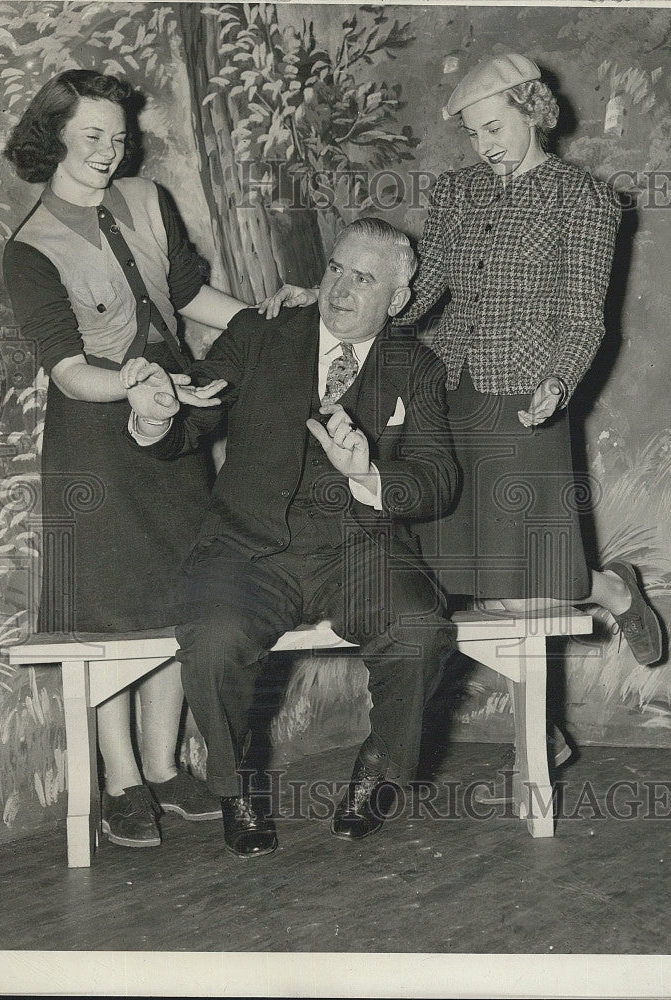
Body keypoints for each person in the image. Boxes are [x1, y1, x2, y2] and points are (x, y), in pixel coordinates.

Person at [2, 69, 310, 849]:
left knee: (182, 597)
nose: (110, 151)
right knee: (111, 616)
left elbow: (190, 295)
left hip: (173, 428)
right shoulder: (31, 248)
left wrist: (269, 323)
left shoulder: (147, 202)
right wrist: (135, 385)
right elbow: (67, 368)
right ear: (55, 137)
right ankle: (123, 783)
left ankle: (167, 769)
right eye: (91, 136)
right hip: (97, 443)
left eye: (118, 136)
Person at [124, 218, 459, 858]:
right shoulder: (262, 333)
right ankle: (236, 785)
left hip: (359, 549)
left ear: (399, 299)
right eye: (336, 269)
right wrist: (155, 416)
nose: (340, 288)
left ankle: (378, 770)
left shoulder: (415, 366)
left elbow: (438, 480)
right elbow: (195, 414)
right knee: (213, 636)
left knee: (418, 629)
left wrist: (369, 473)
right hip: (250, 549)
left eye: (364, 279)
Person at [395, 53, 662, 669]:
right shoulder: (457, 192)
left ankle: (614, 590)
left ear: (533, 112)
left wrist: (559, 379)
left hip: (525, 400)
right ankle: (542, 741)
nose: (483, 145)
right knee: (474, 586)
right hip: (452, 391)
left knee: (532, 588)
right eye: (472, 132)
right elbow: (423, 287)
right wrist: (351, 305)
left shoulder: (585, 199)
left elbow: (584, 315)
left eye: (494, 128)